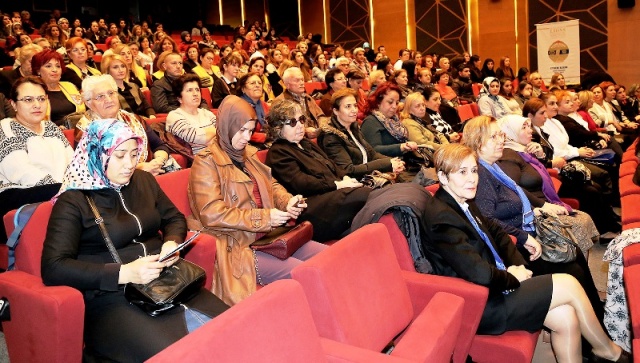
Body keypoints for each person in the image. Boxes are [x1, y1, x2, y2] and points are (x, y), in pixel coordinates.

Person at [41, 120, 229, 362]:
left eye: (133, 154)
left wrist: (171, 242)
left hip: (165, 283)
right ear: (98, 154)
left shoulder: (143, 180)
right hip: (112, 297)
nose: (130, 164)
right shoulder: (74, 200)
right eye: (120, 156)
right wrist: (124, 273)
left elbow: (174, 218)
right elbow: (53, 267)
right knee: (178, 355)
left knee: (229, 330)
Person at [424, 143, 630, 363]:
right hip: (481, 304)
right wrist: (513, 277)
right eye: (462, 172)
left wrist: (517, 264)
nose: (472, 178)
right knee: (568, 283)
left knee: (566, 318)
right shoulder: (442, 219)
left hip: (495, 285)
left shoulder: (462, 199)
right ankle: (608, 351)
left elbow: (495, 230)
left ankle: (604, 351)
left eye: (474, 170)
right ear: (443, 177)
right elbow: (478, 273)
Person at [464, 116, 611, 331]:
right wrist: (523, 236)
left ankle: (597, 312)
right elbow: (487, 220)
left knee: (574, 252)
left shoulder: (494, 167)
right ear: (477, 142)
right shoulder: (480, 174)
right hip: (513, 246)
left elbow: (518, 191)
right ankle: (593, 333)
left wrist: (542, 206)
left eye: (501, 135)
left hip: (525, 232)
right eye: (494, 136)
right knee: (570, 267)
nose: (501, 140)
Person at [186, 95, 327, 305]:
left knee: (329, 259)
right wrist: (265, 217)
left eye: (250, 131)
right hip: (238, 246)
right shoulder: (206, 163)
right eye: (241, 130)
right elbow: (212, 213)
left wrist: (287, 201)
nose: (246, 137)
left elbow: (272, 185)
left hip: (269, 237)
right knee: (306, 275)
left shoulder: (248, 154)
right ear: (226, 125)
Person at [266, 97, 372, 241]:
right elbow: (302, 183)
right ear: (278, 128)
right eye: (292, 122)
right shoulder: (278, 152)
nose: (299, 126)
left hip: (331, 197)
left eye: (301, 120)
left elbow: (332, 165)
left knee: (369, 197)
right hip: (310, 209)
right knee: (365, 195)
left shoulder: (305, 143)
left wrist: (344, 178)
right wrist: (338, 185)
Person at [523, 98, 621, 237]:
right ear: (530, 116)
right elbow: (542, 161)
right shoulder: (532, 135)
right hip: (551, 179)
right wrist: (553, 162)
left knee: (595, 187)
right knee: (591, 190)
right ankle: (605, 228)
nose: (545, 116)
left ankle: (606, 224)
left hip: (559, 170)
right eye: (542, 113)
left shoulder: (541, 130)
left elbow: (552, 153)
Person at [0, 76, 72, 242]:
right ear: (13, 104)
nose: (37, 105)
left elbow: (73, 162)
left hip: (59, 193)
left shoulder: (51, 127)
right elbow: (22, 173)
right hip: (16, 197)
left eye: (41, 99)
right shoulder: (6, 128)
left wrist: (71, 187)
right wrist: (65, 190)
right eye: (28, 100)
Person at [78, 75, 171, 175]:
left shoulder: (133, 119)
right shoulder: (85, 129)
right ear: (89, 103)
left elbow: (159, 145)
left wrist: (158, 162)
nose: (109, 100)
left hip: (153, 171)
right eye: (100, 96)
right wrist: (141, 168)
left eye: (111, 93)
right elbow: (95, 168)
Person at [319, 88, 404, 180]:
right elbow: (348, 171)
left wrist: (393, 161)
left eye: (355, 106)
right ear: (336, 111)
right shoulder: (331, 137)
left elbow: (372, 155)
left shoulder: (354, 128)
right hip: (353, 184)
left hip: (368, 177)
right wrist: (388, 164)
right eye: (348, 106)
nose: (354, 110)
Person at [361, 82, 418, 158]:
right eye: (390, 102)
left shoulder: (395, 120)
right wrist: (401, 147)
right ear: (378, 102)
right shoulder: (370, 122)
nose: (394, 106)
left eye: (397, 103)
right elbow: (373, 150)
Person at [31, 50, 85, 126]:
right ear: (38, 71)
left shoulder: (69, 86)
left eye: (58, 66)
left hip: (78, 130)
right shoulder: (33, 92)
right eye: (48, 66)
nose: (55, 70)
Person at [166, 74, 217, 154]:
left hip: (219, 155)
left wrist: (208, 136)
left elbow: (224, 134)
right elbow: (196, 137)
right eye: (189, 90)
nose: (195, 94)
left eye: (197, 89)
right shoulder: (174, 116)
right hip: (198, 161)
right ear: (179, 98)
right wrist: (214, 132)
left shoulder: (206, 113)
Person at [275, 67, 326, 138]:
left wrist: (321, 127)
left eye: (302, 79)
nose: (302, 83)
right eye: (297, 80)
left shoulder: (308, 98)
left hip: (316, 133)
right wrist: (304, 131)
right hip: (295, 138)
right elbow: (280, 127)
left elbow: (321, 115)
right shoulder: (280, 101)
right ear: (287, 85)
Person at [102, 54, 155, 118]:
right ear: (108, 71)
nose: (121, 70)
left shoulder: (134, 86)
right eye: (115, 67)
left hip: (145, 121)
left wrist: (151, 115)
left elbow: (147, 107)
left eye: (123, 66)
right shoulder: (108, 93)